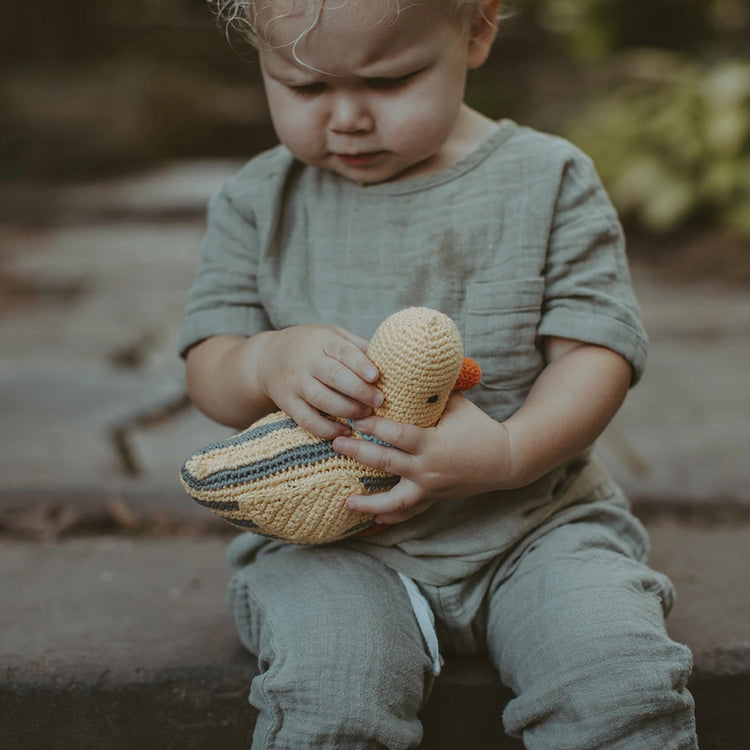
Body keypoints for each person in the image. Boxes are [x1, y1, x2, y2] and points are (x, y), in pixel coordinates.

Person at [178, 0, 699, 747]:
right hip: (334, 547)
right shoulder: (258, 202)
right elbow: (209, 366)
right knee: (333, 686)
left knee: (616, 677)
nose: (349, 118)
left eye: (391, 82)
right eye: (304, 87)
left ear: (478, 29)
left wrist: (511, 453)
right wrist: (265, 358)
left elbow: (595, 352)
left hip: (535, 525)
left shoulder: (548, 180)